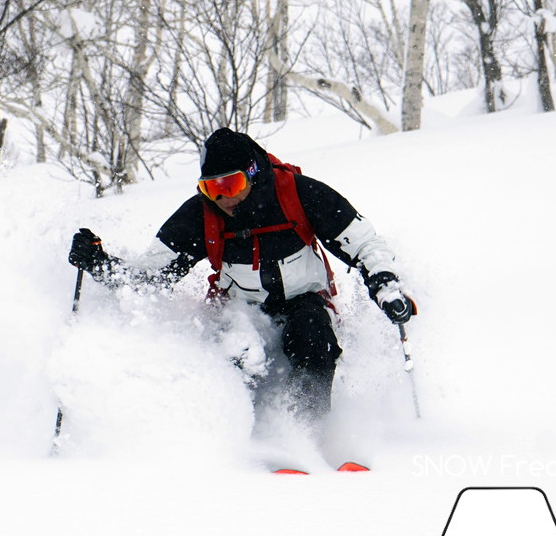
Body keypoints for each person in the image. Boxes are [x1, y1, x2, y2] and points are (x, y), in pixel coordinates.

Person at [67, 127, 414, 422]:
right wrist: (100, 263)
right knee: (241, 349)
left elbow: (364, 243)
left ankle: (309, 430)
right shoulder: (202, 215)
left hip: (303, 301)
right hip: (241, 309)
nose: (221, 198)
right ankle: (248, 434)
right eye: (210, 188)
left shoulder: (298, 192)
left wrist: (384, 283)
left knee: (313, 339)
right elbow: (150, 277)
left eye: (229, 186)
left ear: (251, 173)